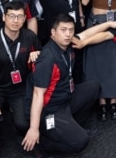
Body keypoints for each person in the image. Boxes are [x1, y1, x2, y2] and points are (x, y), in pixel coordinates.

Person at [22, 13, 100, 156]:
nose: (68, 34)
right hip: (49, 109)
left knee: (94, 87)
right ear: (53, 33)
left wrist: (111, 24)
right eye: (63, 30)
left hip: (65, 98)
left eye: (71, 30)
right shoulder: (47, 59)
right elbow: (38, 94)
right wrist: (34, 128)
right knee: (81, 141)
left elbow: (87, 34)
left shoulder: (68, 44)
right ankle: (42, 144)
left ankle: (74, 125)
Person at [0, 1, 41, 158]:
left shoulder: (30, 37)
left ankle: (19, 132)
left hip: (19, 89)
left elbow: (42, 58)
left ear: (25, 19)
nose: (15, 20)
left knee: (23, 123)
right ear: (4, 17)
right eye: (11, 16)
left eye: (19, 17)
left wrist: (38, 56)